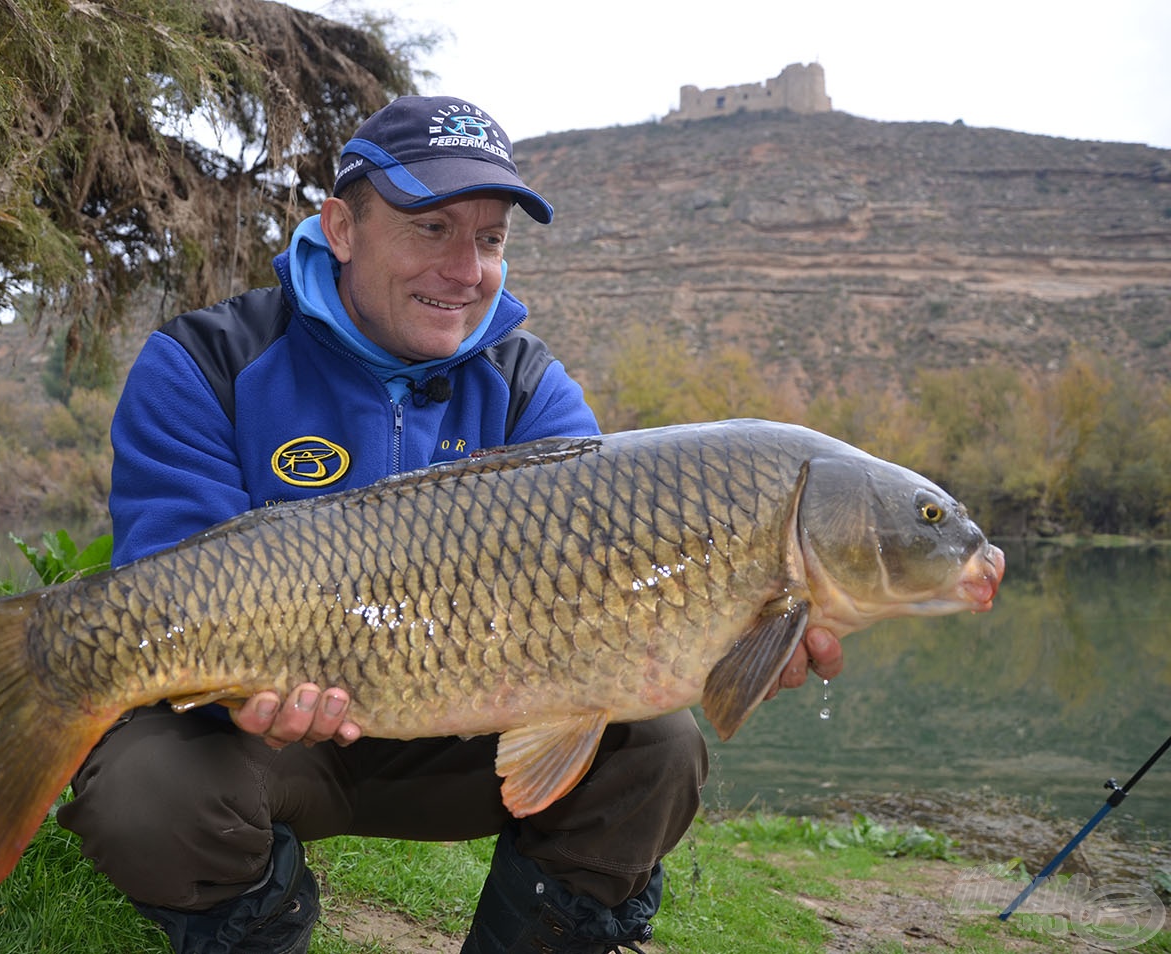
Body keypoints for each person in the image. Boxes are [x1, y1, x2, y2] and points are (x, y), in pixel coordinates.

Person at [56, 95, 843, 954]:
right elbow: (169, 580)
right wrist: (244, 688)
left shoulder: (529, 387)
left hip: (470, 732)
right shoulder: (208, 362)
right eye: (432, 228)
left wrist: (739, 636)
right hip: (266, 742)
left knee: (658, 748)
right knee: (145, 789)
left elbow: (612, 586)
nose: (468, 268)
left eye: (492, 238)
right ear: (342, 227)